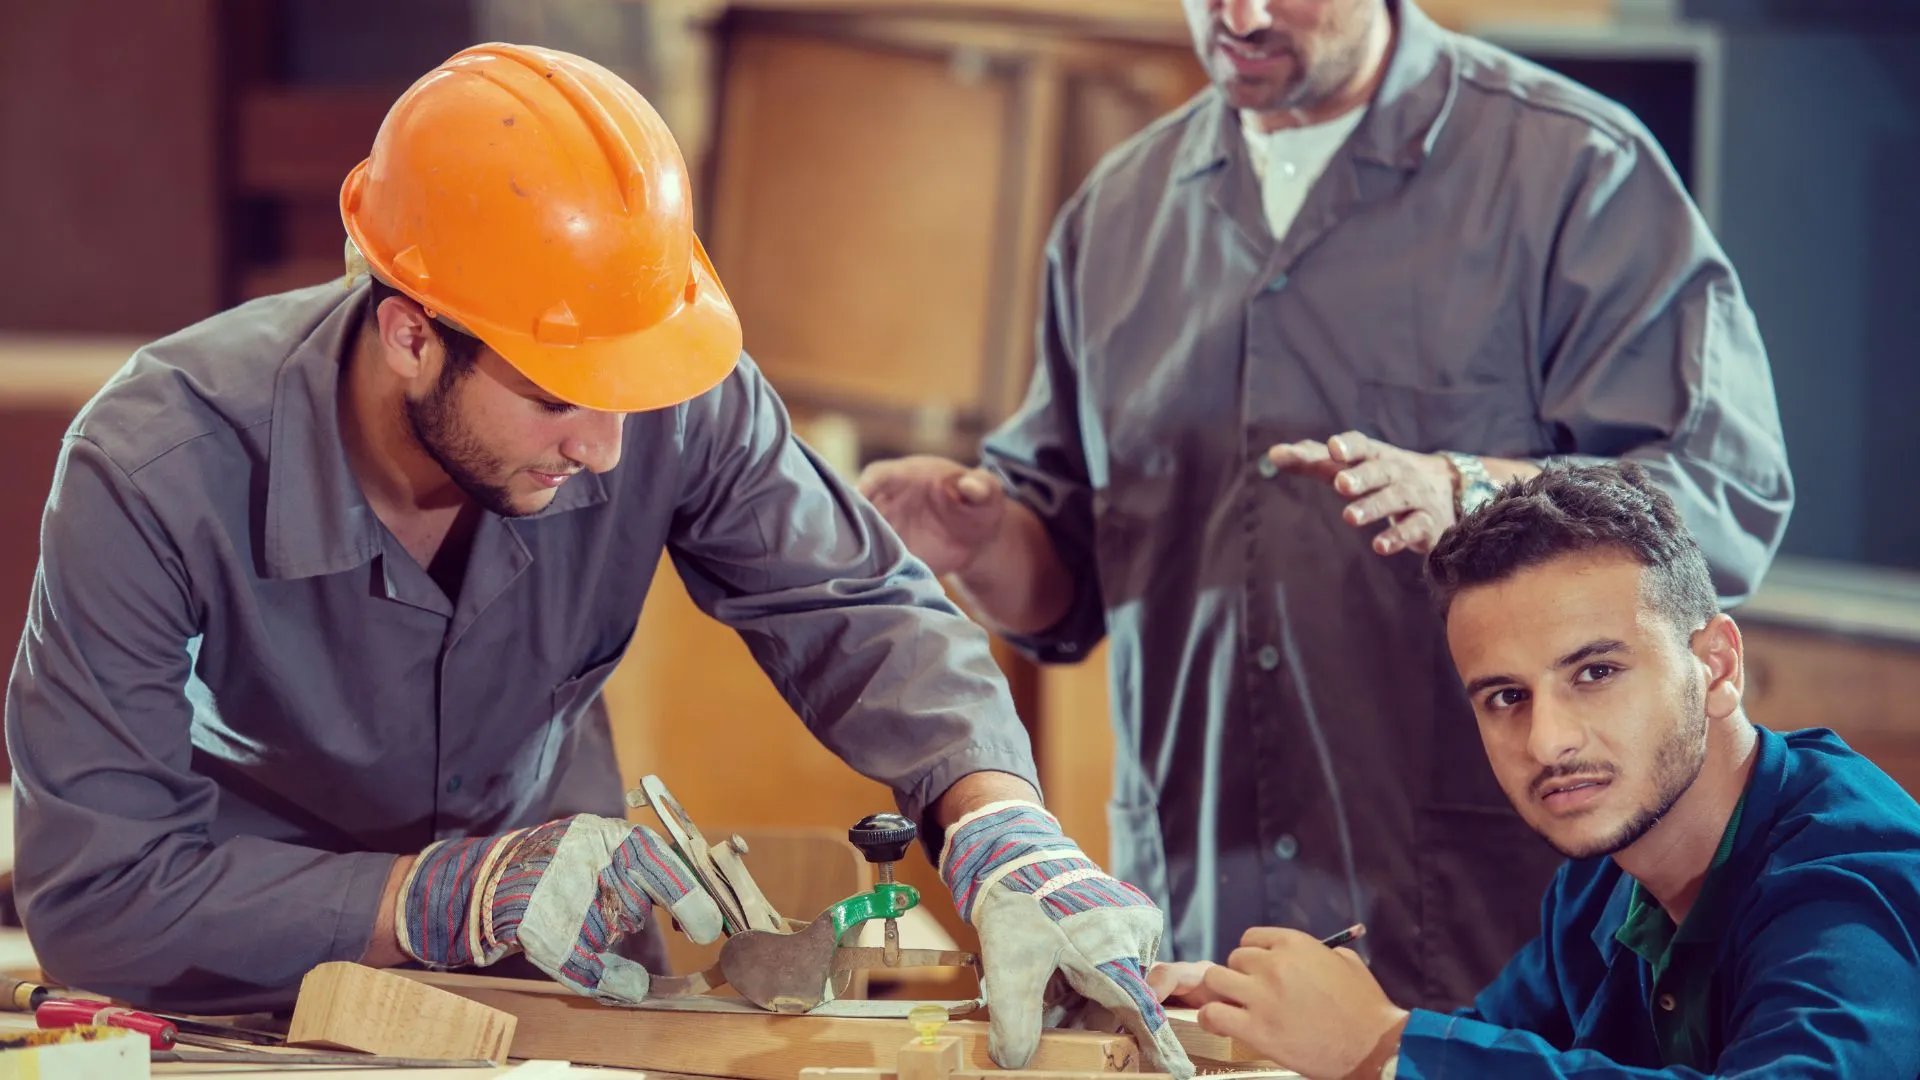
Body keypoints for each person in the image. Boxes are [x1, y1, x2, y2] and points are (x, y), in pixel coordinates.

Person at [2, 42, 1195, 1076]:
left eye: (636, 393)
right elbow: (103, 899)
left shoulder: (649, 384)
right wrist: (433, 898)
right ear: (411, 333)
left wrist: (999, 825)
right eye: (562, 399)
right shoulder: (156, 463)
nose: (612, 448)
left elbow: (857, 604)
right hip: (252, 1006)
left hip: (568, 994)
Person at [857, 0, 1792, 1010]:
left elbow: (1719, 496)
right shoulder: (1115, 215)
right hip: (1203, 925)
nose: (1243, 15)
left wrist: (1468, 488)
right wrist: (984, 540)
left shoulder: (1574, 172)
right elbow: (1067, 587)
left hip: (1500, 951)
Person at [1173, 463, 1920, 1079]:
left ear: (1717, 667)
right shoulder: (1602, 880)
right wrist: (1247, 1018)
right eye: (1505, 697)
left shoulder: (1850, 869)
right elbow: (1488, 1042)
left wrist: (1384, 1047)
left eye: (1595, 671)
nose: (1548, 741)